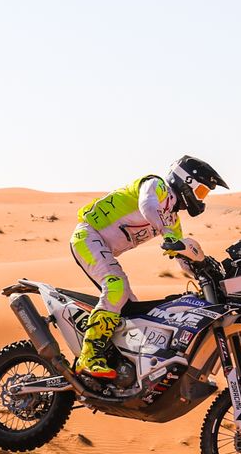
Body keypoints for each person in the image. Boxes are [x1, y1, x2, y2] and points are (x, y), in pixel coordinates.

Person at [69, 155, 229, 379]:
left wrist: (202, 271)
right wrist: (167, 233)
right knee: (117, 287)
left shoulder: (172, 220)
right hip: (88, 236)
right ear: (187, 181)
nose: (202, 199)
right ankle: (88, 356)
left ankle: (116, 366)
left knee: (130, 313)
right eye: (202, 191)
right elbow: (147, 205)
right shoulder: (156, 185)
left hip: (102, 246)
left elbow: (181, 257)